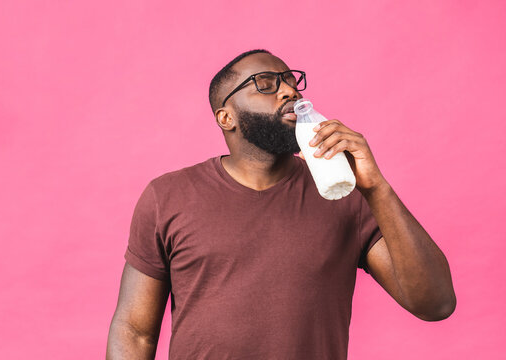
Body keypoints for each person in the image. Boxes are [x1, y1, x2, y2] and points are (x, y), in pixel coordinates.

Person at [106, 49, 456, 360]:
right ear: (226, 117)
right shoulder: (168, 195)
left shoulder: (345, 195)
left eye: (291, 82)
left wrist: (376, 188)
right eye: (266, 83)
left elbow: (435, 303)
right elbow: (135, 331)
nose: (290, 90)